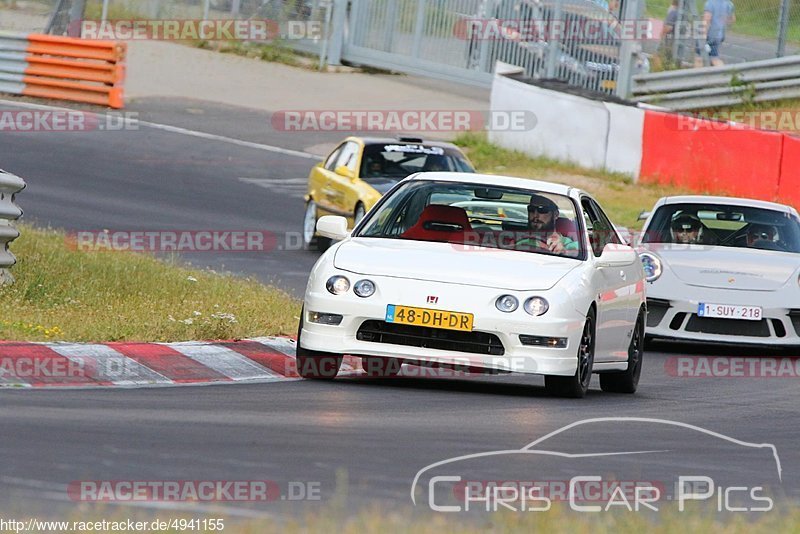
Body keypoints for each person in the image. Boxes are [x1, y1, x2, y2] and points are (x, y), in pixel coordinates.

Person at [695, 0, 735, 67]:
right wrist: (721, 23)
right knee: (714, 56)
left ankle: (697, 76)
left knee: (700, 58)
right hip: (719, 34)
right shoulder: (729, 3)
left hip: (710, 34)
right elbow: (732, 19)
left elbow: (707, 19)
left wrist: (702, 35)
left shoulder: (710, 3)